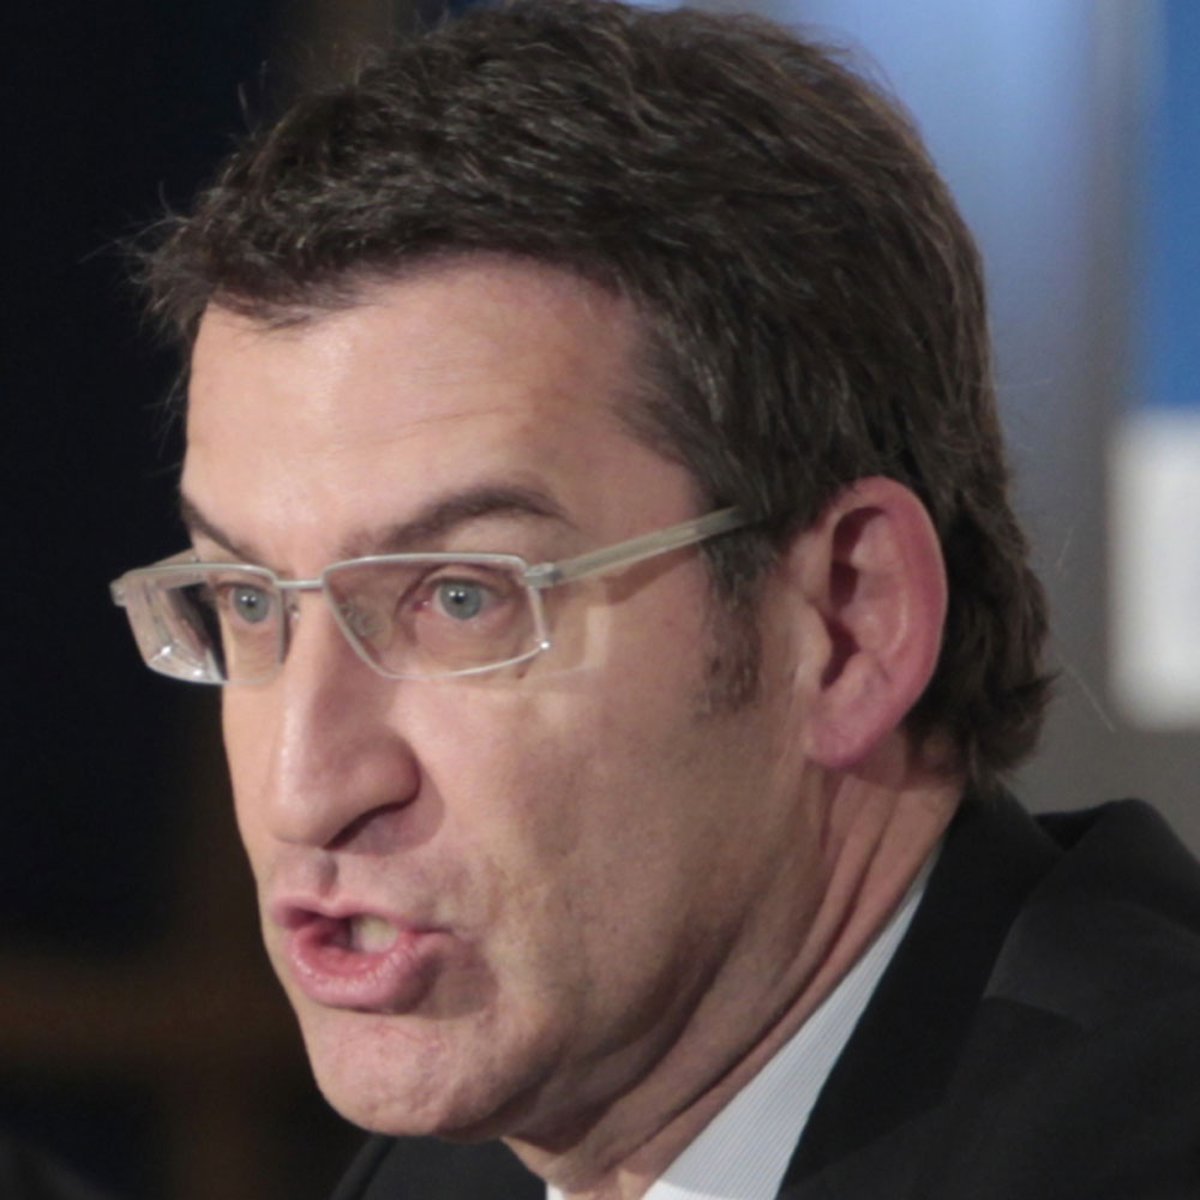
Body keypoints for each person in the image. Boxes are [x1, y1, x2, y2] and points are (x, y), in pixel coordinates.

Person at [109, 2, 1200, 1196]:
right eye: (250, 602)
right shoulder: (446, 1173)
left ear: (847, 626)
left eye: (461, 597)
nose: (305, 790)